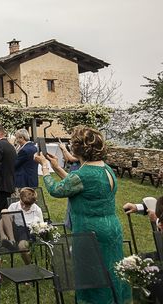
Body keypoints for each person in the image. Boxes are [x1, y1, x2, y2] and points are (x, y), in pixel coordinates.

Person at [35, 126, 131, 303]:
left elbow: (57, 190)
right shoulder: (106, 169)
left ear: (77, 149)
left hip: (90, 232)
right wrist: (57, 167)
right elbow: (76, 185)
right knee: (112, 269)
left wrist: (45, 167)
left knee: (91, 273)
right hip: (111, 228)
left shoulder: (83, 173)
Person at [0, 187, 43, 264]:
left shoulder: (37, 210)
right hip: (14, 230)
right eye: (22, 204)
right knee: (4, 211)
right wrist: (2, 234)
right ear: (20, 198)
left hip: (29, 231)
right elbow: (2, 220)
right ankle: (12, 241)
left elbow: (41, 227)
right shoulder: (14, 206)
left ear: (33, 203)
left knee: (22, 247)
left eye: (27, 206)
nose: (23, 207)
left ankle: (29, 265)